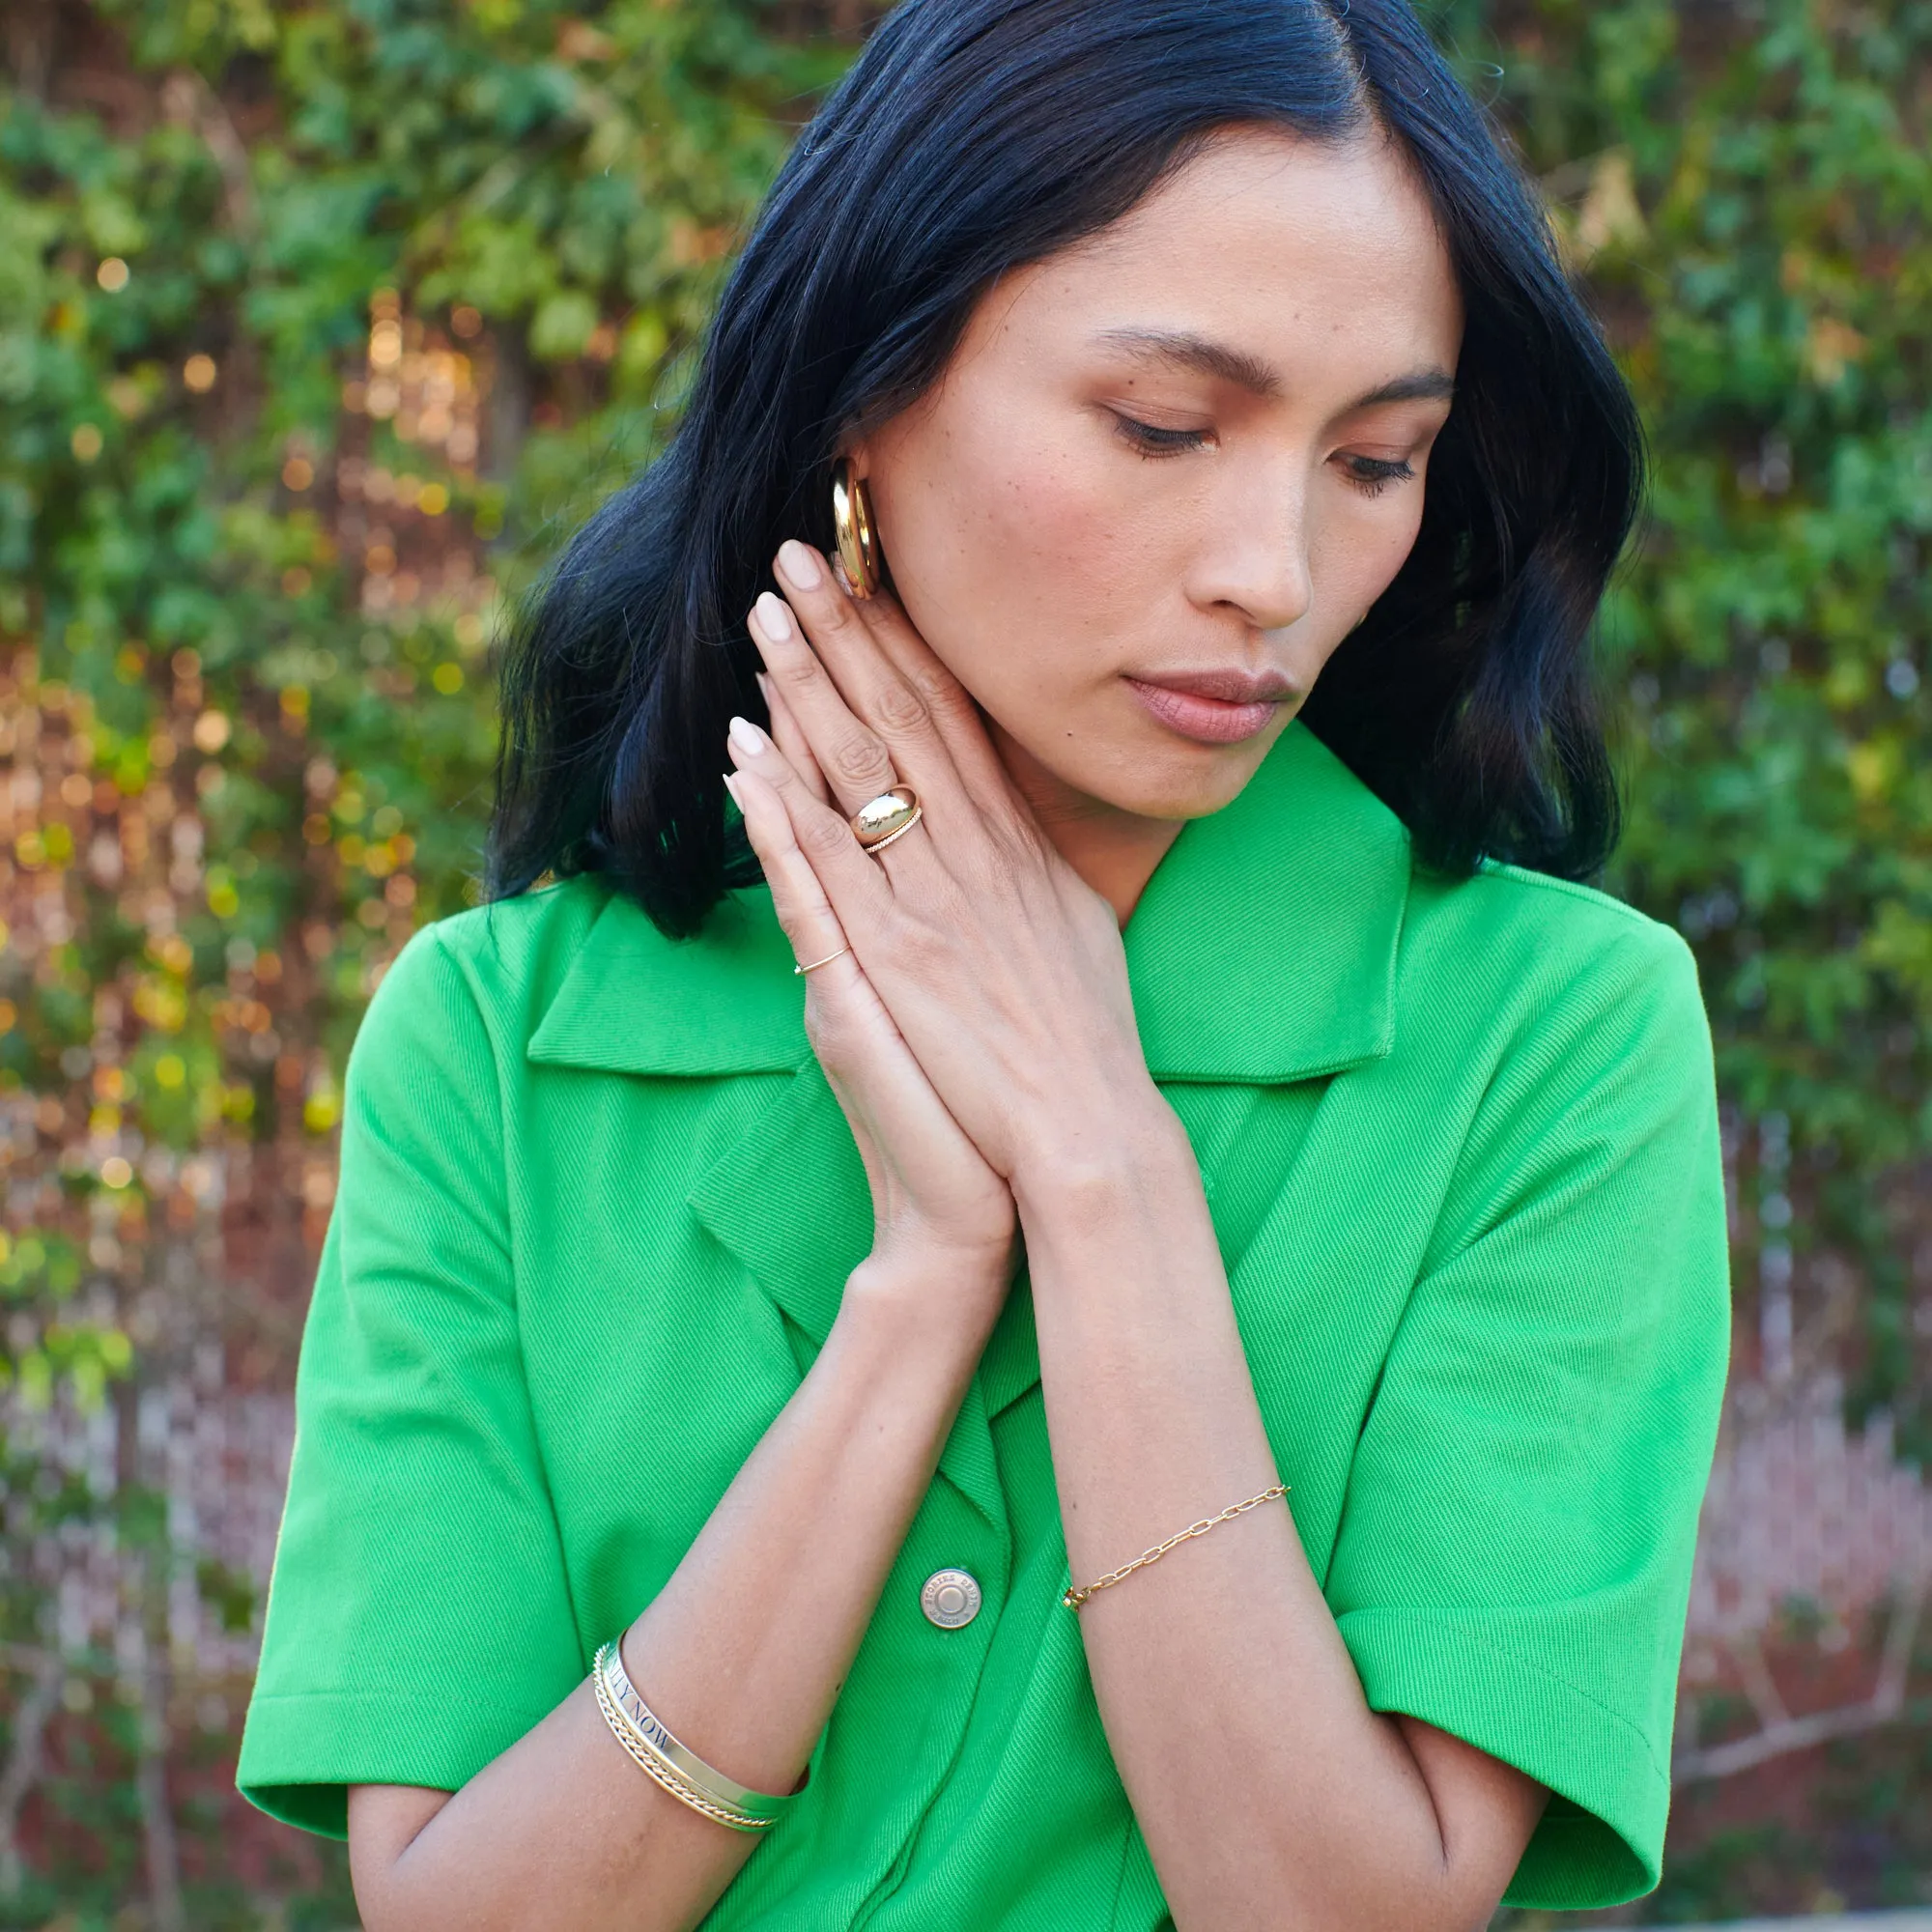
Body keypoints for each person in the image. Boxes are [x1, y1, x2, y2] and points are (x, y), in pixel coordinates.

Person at [237, 1, 1731, 1926]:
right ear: (866, 392)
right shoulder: (497, 1043)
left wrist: (1094, 1154)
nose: (1270, 571)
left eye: (1376, 459)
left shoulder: (1554, 1038)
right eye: (1164, 426)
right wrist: (921, 1285)